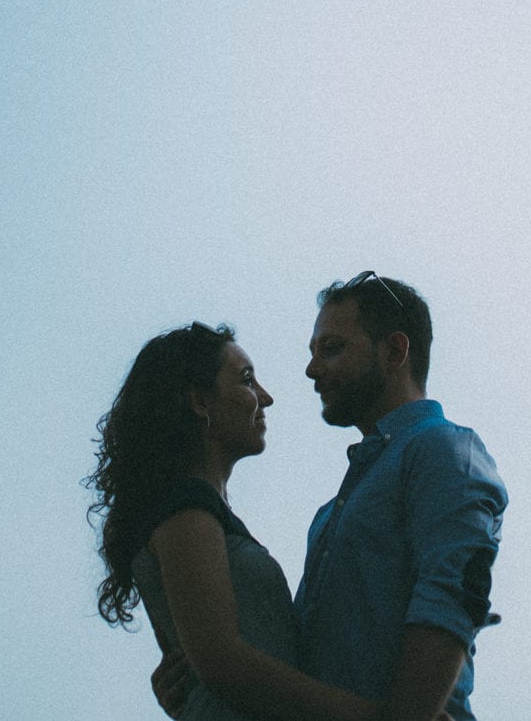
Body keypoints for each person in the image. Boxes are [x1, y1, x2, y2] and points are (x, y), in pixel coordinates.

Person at [153, 274, 507, 721]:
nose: (312, 370)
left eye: (332, 349)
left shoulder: (442, 449)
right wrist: (204, 688)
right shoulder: (331, 513)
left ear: (395, 351)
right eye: (313, 352)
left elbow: (451, 597)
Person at [89, 321, 413, 721]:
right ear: (200, 402)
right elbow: (224, 665)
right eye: (247, 380)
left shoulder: (196, 511)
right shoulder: (186, 511)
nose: (266, 397)